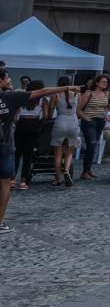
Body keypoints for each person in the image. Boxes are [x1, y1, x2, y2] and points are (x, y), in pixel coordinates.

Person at [1, 73, 82, 233]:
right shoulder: (12, 96)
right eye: (7, 77)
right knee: (4, 183)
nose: (10, 80)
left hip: (11, 141)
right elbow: (44, 91)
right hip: (4, 146)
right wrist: (67, 87)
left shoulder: (13, 95)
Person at [12, 80, 46, 192]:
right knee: (28, 155)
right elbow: (46, 115)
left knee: (16, 153)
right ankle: (23, 181)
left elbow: (15, 115)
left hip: (21, 124)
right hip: (34, 125)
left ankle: (12, 179)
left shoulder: (22, 98)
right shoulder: (42, 100)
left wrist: (17, 123)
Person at [47, 77, 82, 187]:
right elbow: (77, 110)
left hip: (60, 121)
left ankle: (58, 178)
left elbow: (51, 109)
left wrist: (47, 117)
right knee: (70, 151)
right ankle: (66, 170)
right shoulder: (77, 95)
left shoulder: (55, 95)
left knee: (58, 153)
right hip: (73, 122)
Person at [76, 74, 110, 180]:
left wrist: (105, 115)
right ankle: (85, 171)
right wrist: (86, 118)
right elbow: (78, 109)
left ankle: (88, 170)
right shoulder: (88, 94)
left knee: (93, 145)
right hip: (89, 121)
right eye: (103, 82)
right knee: (91, 144)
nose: (105, 84)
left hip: (100, 121)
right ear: (97, 83)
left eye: (106, 82)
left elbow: (105, 107)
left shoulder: (107, 94)